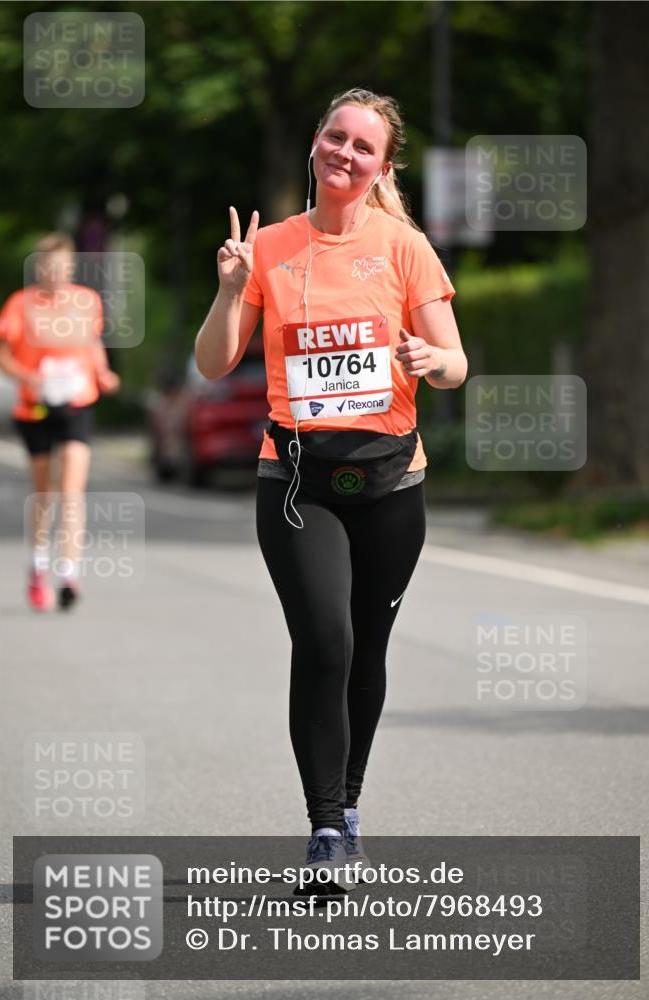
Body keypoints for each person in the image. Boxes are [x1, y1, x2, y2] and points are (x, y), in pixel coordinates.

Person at [195, 88, 467, 891]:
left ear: (381, 167)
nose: (344, 154)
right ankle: (322, 828)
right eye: (335, 137)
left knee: (366, 648)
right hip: (296, 480)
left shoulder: (404, 246)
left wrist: (432, 361)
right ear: (315, 141)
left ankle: (347, 810)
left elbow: (454, 363)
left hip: (391, 480)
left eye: (362, 147)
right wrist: (229, 287)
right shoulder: (271, 247)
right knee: (325, 641)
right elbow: (213, 363)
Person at [0, 231, 120, 611]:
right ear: (39, 269)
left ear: (70, 268)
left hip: (76, 403)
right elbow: (1, 355)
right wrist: (28, 377)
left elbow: (92, 343)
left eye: (62, 267)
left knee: (71, 490)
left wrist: (103, 372)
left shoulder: (86, 301)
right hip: (36, 407)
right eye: (49, 267)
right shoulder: (21, 304)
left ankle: (68, 572)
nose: (56, 274)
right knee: (45, 492)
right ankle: (37, 565)